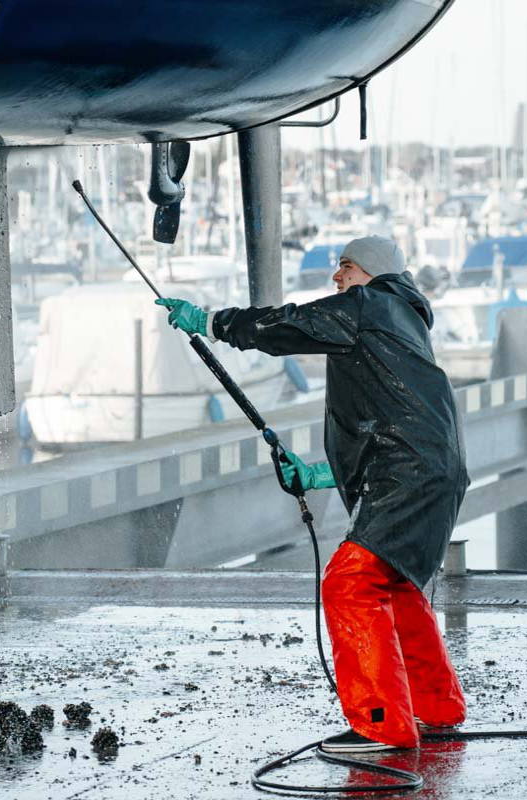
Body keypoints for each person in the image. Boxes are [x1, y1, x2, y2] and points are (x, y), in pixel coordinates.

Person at [155, 235, 469, 754]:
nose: (337, 277)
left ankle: (381, 725)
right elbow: (390, 423)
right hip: (430, 472)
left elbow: (290, 324)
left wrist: (211, 323)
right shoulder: (400, 321)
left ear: (373, 272)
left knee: (350, 584)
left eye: (347, 266)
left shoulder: (370, 305)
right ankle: (435, 708)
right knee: (395, 584)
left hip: (407, 473)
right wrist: (321, 475)